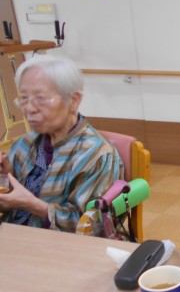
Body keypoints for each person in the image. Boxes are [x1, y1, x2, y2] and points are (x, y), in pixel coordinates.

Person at [0, 55, 123, 232]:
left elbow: (91, 226)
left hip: (53, 243)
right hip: (13, 233)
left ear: (73, 101)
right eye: (24, 99)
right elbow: (9, 201)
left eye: (41, 98)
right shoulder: (25, 143)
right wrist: (5, 176)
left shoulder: (96, 154)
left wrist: (31, 204)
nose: (30, 109)